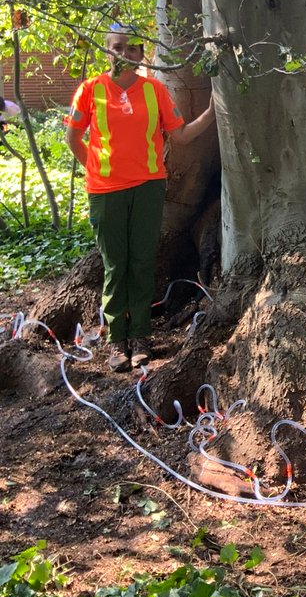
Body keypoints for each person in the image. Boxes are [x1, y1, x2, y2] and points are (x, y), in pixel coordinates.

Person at [64, 24, 215, 371]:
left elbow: (180, 135)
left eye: (133, 48)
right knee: (116, 265)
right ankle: (117, 340)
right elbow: (73, 137)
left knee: (144, 261)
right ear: (107, 51)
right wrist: (97, 170)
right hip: (105, 192)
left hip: (148, 188)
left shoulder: (155, 91)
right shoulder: (90, 91)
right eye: (118, 47)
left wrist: (210, 114)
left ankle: (141, 336)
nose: (126, 54)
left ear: (141, 52)